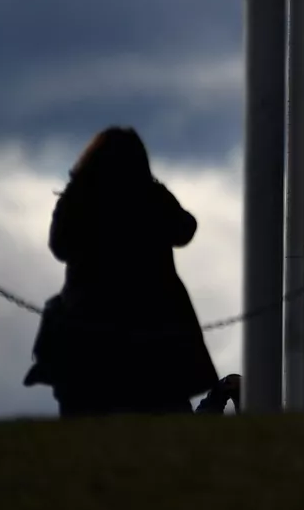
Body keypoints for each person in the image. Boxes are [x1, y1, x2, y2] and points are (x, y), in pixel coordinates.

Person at [23, 127, 220, 417]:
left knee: (89, 408)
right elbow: (185, 229)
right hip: (152, 317)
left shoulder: (78, 197)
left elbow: (59, 246)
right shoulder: (150, 197)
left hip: (88, 318)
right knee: (161, 408)